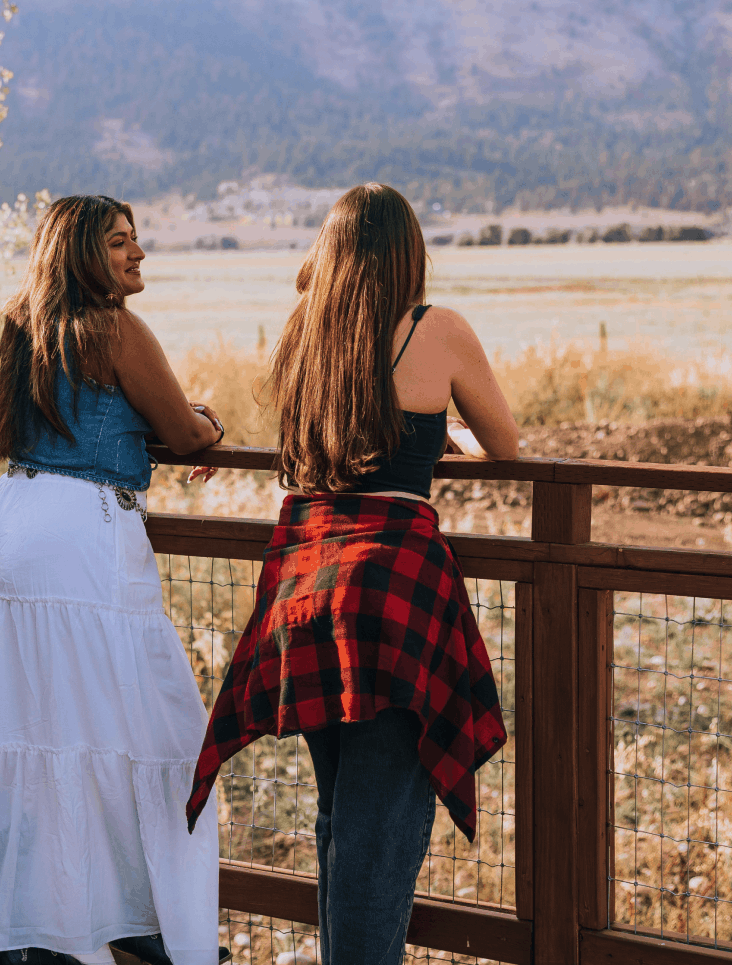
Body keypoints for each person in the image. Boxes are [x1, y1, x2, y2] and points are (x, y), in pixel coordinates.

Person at [185, 183, 515, 965]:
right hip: (390, 597)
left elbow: (311, 455)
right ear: (409, 253)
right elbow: (505, 441)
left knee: (337, 820)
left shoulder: (307, 332)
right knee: (377, 834)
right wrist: (444, 435)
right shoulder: (436, 329)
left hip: (302, 587)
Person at [0, 195, 228, 965]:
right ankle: (147, 926)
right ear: (82, 252)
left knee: (34, 727)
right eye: (119, 243)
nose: (137, 254)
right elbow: (181, 430)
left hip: (12, 522)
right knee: (157, 731)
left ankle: (38, 930)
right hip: (83, 537)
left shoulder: (21, 325)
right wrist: (203, 423)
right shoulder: (114, 329)